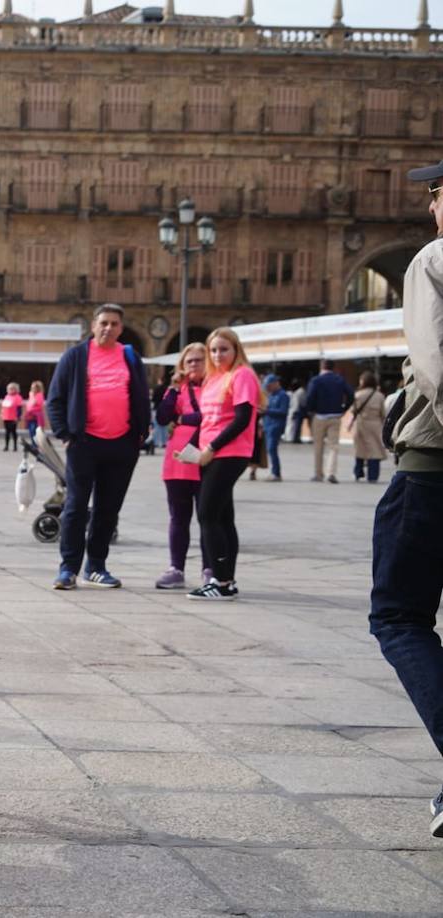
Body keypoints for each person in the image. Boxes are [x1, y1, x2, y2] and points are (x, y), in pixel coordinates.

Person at [370, 156, 443, 839]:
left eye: (440, 194)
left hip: (433, 470)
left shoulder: (433, 262)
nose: (431, 207)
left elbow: (435, 365)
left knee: (397, 617)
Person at [45, 303, 150, 590]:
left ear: (121, 328)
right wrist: (66, 433)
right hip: (85, 444)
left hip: (122, 445)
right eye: (103, 322)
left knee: (108, 509)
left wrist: (141, 432)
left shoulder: (129, 357)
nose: (108, 328)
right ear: (93, 326)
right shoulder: (76, 356)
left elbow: (141, 395)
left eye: (114, 324)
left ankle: (96, 567)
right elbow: (55, 398)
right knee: (76, 508)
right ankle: (68, 569)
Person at [188, 327, 263, 601]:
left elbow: (242, 418)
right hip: (209, 453)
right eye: (213, 350)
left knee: (207, 514)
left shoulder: (242, 375)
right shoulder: (213, 378)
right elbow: (208, 420)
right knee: (222, 516)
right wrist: (193, 449)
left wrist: (212, 447)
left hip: (228, 453)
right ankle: (227, 581)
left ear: (236, 350)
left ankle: (219, 580)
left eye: (224, 349)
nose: (218, 354)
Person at [153, 343, 206, 591]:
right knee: (178, 516)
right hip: (177, 460)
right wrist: (173, 390)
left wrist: (183, 418)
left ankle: (210, 569)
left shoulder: (217, 386)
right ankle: (176, 568)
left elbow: (208, 417)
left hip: (207, 457)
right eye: (189, 361)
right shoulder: (179, 390)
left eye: (198, 360)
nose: (194, 364)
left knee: (208, 517)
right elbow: (163, 417)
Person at [305, 358, 354, 483]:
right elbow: (351, 395)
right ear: (333, 368)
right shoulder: (340, 380)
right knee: (333, 446)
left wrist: (310, 410)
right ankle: (331, 473)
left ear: (322, 367)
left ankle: (318, 474)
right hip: (335, 416)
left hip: (319, 416)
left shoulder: (315, 380)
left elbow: (310, 397)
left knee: (318, 446)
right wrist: (344, 408)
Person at [350, 370, 388, 483]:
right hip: (375, 425)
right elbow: (383, 413)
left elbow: (353, 410)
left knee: (360, 449)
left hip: (361, 424)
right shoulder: (380, 396)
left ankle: (358, 473)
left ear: (363, 382)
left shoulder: (358, 394)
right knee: (374, 451)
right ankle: (373, 476)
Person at [261, 374, 289, 481]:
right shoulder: (271, 395)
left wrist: (266, 411)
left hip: (276, 426)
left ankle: (276, 473)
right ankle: (274, 471)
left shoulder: (283, 396)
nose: (268, 388)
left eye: (269, 386)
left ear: (276, 384)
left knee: (272, 449)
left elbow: (283, 411)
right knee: (270, 450)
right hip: (268, 425)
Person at [0, 382, 23, 451]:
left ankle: (15, 446)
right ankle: (6, 446)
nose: (11, 390)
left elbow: (19, 408)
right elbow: (4, 407)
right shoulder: (7, 396)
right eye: (9, 389)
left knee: (13, 432)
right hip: (6, 417)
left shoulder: (18, 397)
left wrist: (18, 417)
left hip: (13, 418)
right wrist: (1, 414)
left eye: (12, 388)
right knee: (7, 432)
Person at [287, 378, 307, 443]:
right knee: (296, 425)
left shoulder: (296, 392)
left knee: (293, 425)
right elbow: (302, 402)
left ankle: (293, 437)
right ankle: (295, 438)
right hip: (298, 410)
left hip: (294, 410)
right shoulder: (301, 391)